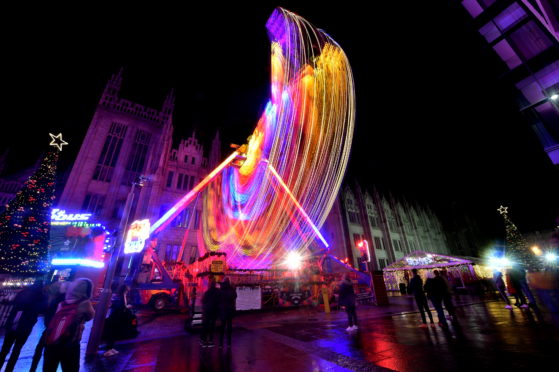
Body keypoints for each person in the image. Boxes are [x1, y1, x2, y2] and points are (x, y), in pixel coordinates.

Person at [43, 278, 95, 372]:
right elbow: (90, 316)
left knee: (49, 368)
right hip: (71, 343)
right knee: (71, 368)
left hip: (53, 342)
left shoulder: (62, 303)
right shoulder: (85, 304)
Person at [0, 280, 46, 372]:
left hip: (13, 324)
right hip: (25, 327)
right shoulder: (41, 297)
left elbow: (13, 304)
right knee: (17, 349)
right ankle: (9, 369)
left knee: (5, 349)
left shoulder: (23, 293)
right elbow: (41, 309)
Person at [30, 277, 68, 372]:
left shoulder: (52, 300)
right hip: (55, 329)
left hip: (51, 329)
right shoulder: (62, 300)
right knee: (46, 351)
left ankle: (33, 367)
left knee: (41, 349)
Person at [103, 283, 133, 357]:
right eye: (127, 290)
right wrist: (127, 307)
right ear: (125, 290)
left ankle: (111, 348)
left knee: (114, 334)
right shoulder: (121, 297)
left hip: (116, 317)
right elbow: (121, 307)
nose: (128, 291)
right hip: (115, 318)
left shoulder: (120, 296)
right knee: (112, 333)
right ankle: (108, 350)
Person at [200, 278, 220, 347]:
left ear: (209, 285)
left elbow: (203, 301)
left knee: (205, 326)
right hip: (214, 311)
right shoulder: (218, 292)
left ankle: (203, 341)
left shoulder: (207, 292)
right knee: (212, 326)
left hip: (207, 311)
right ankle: (211, 341)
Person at [218, 277, 237, 347]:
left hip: (223, 310)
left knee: (222, 326)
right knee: (229, 326)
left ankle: (220, 343)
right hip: (230, 310)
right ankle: (229, 342)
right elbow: (235, 296)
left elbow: (219, 299)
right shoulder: (231, 289)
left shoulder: (221, 289)